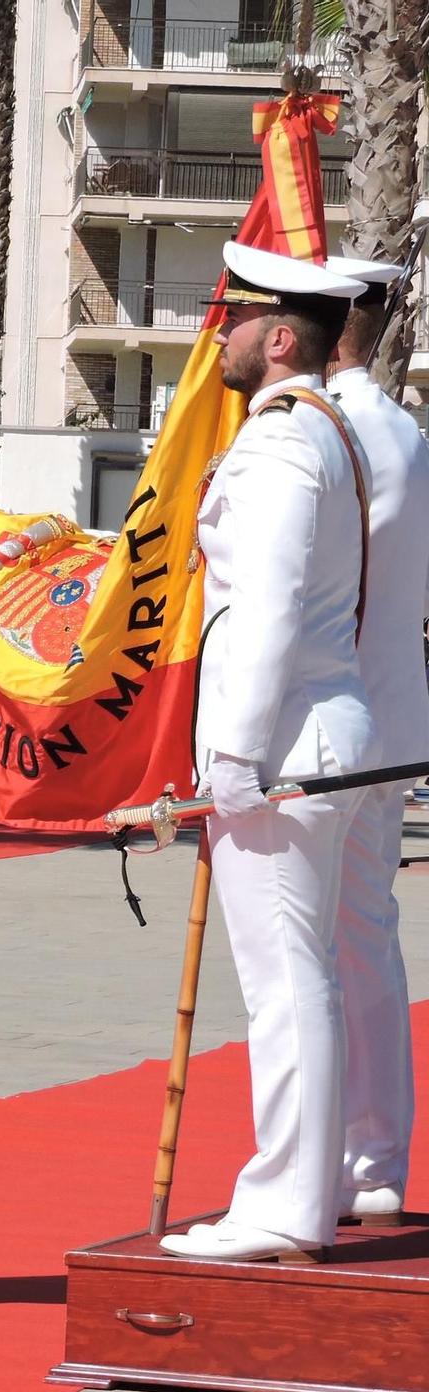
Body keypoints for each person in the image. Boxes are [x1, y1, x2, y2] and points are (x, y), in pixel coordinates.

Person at [159, 242, 377, 1263]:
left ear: (278, 337)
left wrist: (230, 758)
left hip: (284, 739)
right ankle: (308, 1184)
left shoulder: (285, 441)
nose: (219, 329)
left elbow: (270, 606)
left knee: (285, 981)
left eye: (232, 315)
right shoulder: (311, 431)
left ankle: (282, 1205)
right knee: (307, 977)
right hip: (311, 732)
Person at [321, 254, 429, 1229]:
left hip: (318, 733)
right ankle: (371, 1160)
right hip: (389, 726)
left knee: (303, 957)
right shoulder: (401, 430)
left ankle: (309, 1172)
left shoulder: (319, 433)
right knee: (365, 946)